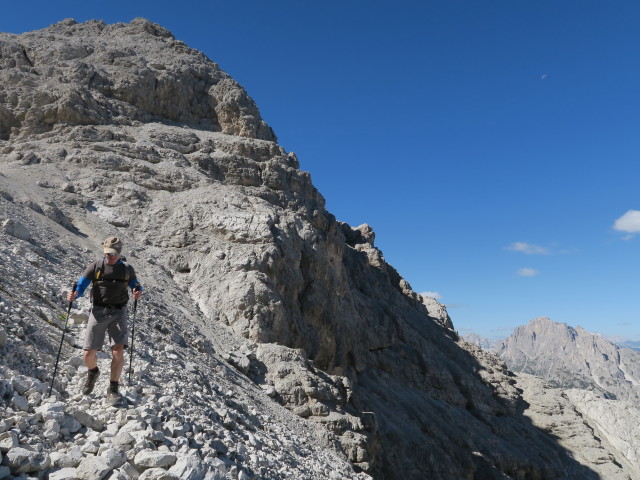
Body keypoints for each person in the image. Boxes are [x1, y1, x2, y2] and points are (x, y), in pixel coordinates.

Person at [67, 237, 143, 405]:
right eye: (108, 253)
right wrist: (74, 294)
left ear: (119, 253)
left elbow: (136, 285)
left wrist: (138, 292)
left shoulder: (127, 269)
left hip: (119, 312)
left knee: (118, 350)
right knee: (88, 353)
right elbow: (81, 285)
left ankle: (113, 388)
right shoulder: (95, 266)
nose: (110, 256)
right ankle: (93, 372)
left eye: (113, 254)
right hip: (98, 311)